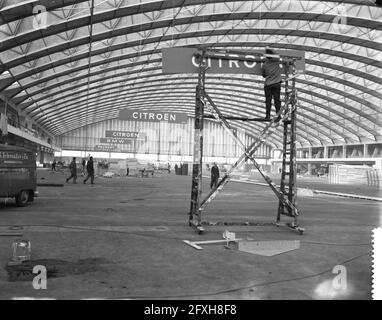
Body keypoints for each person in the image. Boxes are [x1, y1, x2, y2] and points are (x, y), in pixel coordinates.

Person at [261, 48, 282, 121]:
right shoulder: (276, 60)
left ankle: (267, 115)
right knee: (277, 100)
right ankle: (278, 115)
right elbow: (278, 53)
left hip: (268, 84)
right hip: (276, 83)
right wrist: (271, 50)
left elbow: (263, 75)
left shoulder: (264, 64)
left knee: (268, 100)